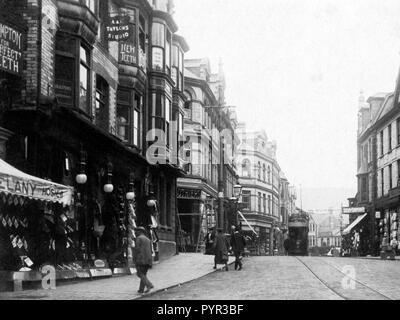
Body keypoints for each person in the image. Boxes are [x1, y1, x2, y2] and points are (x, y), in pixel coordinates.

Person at [133, 226, 154, 294]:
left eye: (137, 231)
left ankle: (149, 285)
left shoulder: (138, 238)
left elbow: (137, 249)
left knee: (140, 274)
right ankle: (141, 289)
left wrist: (134, 258)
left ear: (140, 231)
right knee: (143, 274)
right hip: (148, 259)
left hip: (141, 259)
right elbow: (151, 250)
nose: (135, 232)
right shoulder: (148, 239)